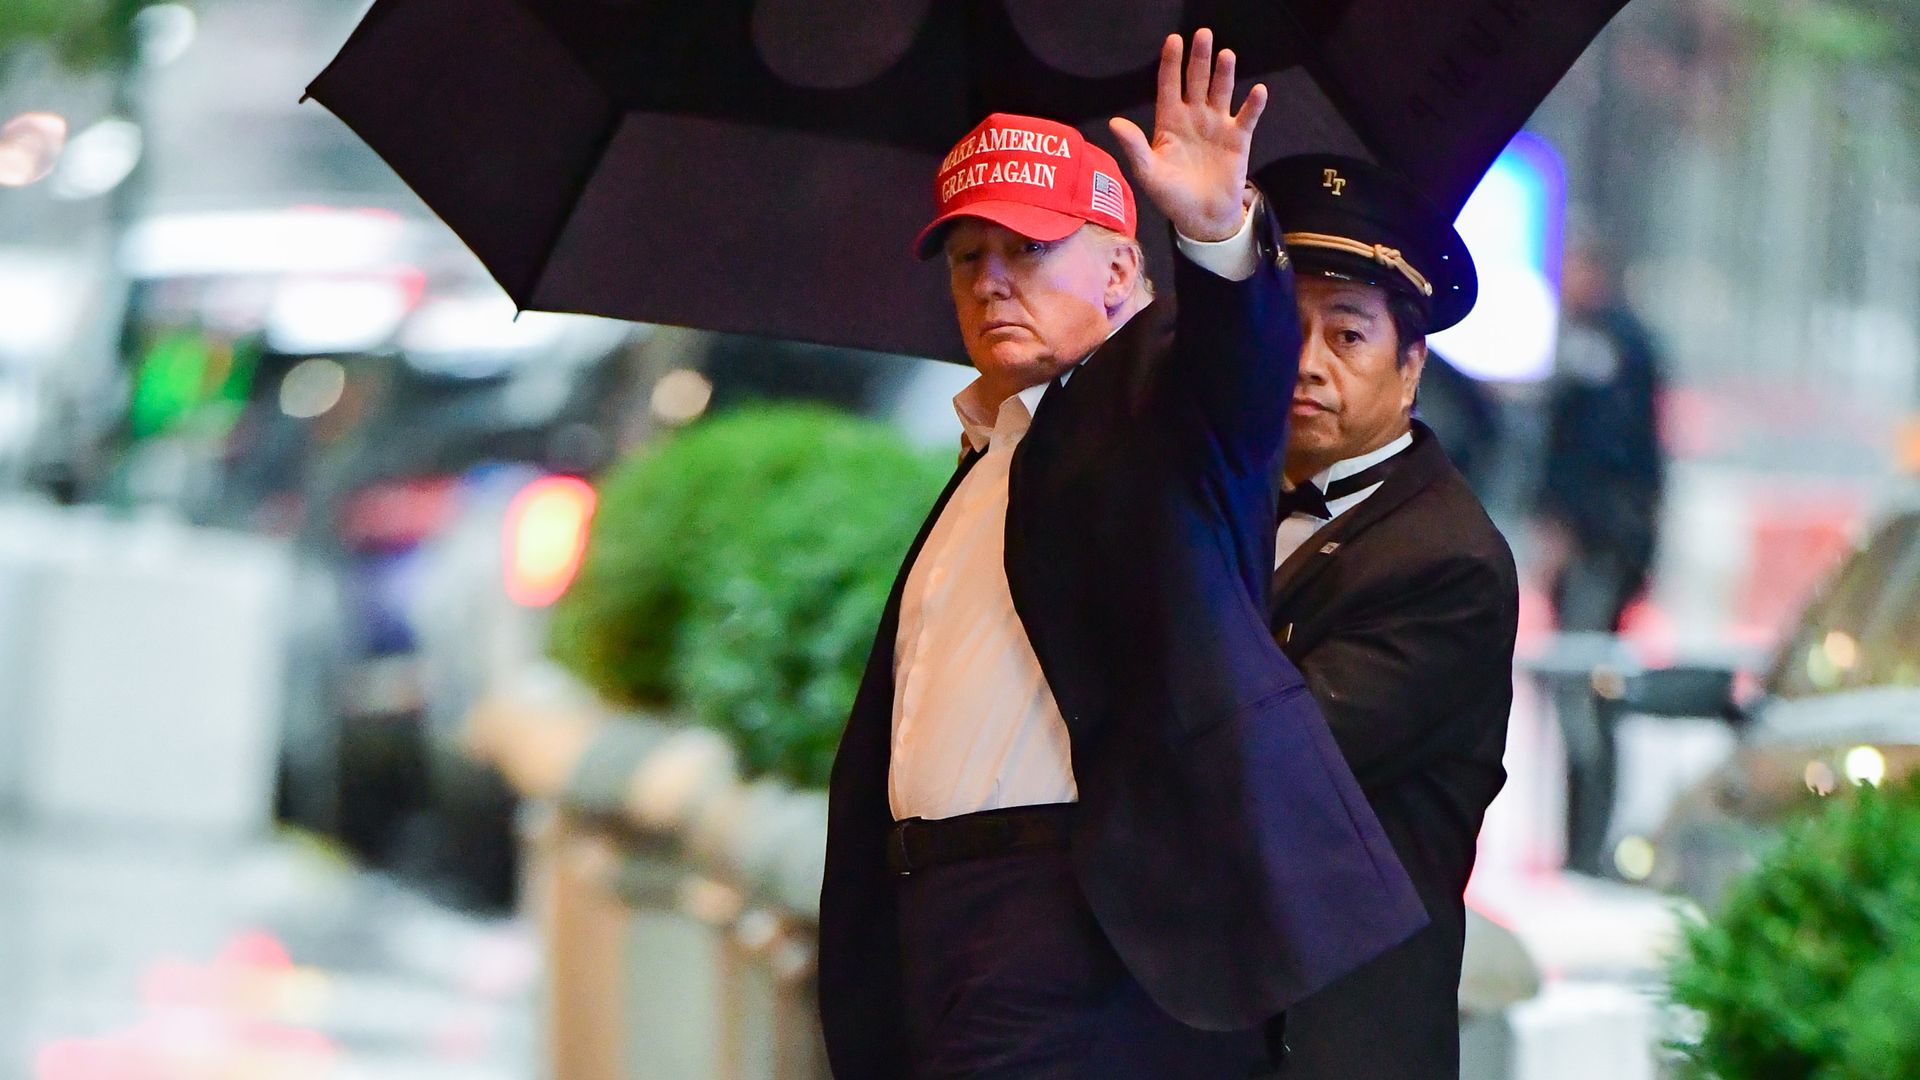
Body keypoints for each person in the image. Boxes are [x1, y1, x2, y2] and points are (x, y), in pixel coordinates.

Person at [819, 32, 1425, 1079]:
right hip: (939, 930)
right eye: (971, 258)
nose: (995, 281)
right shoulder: (989, 450)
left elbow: (1240, 369)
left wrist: (1218, 231)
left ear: (1118, 267)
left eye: (1029, 248)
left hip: (1072, 932)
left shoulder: (1153, 407)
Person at [1249, 154, 1521, 1079]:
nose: (1306, 364)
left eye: (1348, 335)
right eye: (1285, 327)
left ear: (1411, 367)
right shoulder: (1224, 505)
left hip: (1339, 1039)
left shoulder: (1447, 560)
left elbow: (1273, 761)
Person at [1535, 222, 1667, 875]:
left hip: (1600, 545)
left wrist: (1567, 523)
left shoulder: (1607, 347)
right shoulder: (1618, 344)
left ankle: (1585, 847)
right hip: (1610, 541)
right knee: (1584, 691)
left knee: (1583, 690)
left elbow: (1598, 453)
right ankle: (1579, 842)